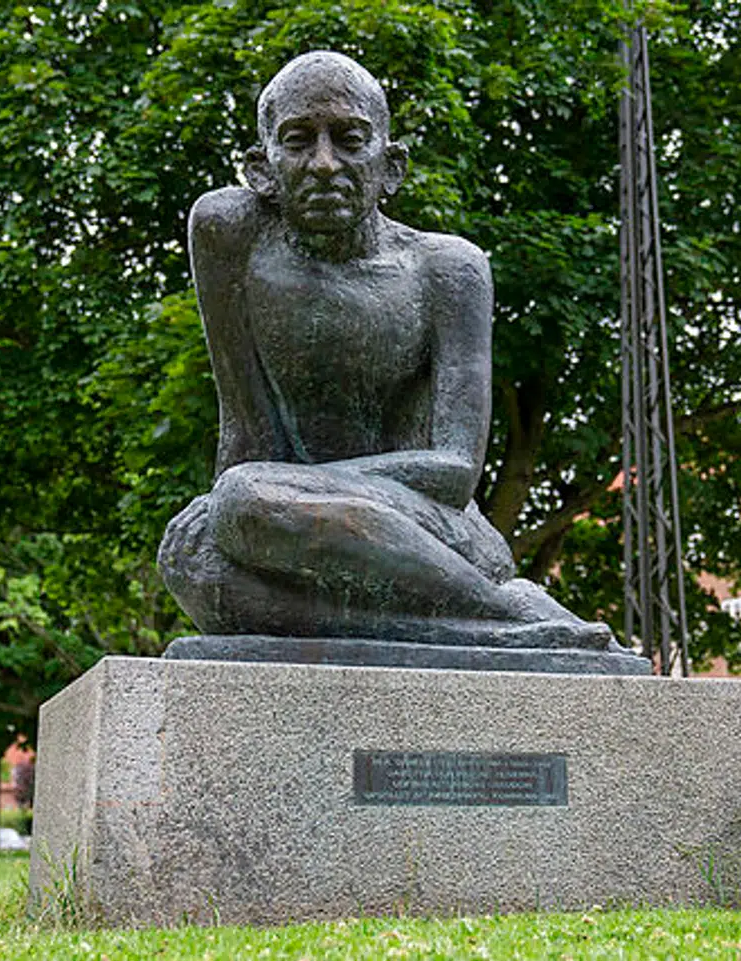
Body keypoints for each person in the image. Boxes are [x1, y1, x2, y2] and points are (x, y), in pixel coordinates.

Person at [159, 51, 612, 652]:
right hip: (283, 522)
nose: (324, 164)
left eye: (349, 140)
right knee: (188, 552)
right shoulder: (229, 234)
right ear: (261, 169)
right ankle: (489, 630)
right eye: (298, 141)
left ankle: (496, 605)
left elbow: (454, 471)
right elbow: (246, 424)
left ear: (390, 166)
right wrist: (244, 510)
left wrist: (271, 491)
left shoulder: (448, 270)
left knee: (240, 499)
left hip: (433, 531)